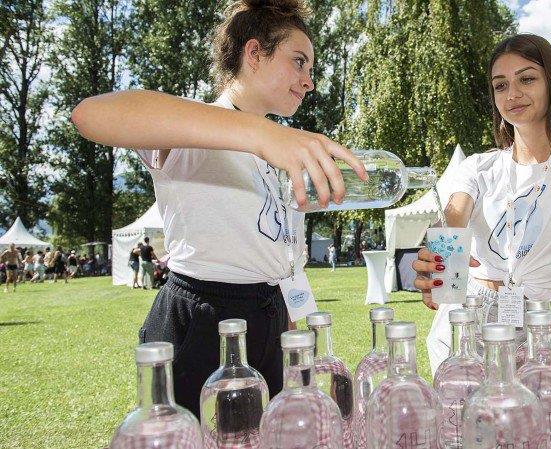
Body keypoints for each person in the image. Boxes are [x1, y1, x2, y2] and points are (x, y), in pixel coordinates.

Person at [70, 0, 365, 418]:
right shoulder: (197, 127)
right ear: (254, 53)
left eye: (311, 70)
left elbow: (277, 250)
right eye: (299, 62)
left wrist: (291, 320)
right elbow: (90, 114)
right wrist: (260, 135)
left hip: (270, 315)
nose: (309, 81)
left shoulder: (284, 147)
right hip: (202, 319)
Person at [412, 34, 551, 373]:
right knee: (461, 423)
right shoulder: (478, 167)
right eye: (500, 86)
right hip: (464, 325)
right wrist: (435, 265)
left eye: (526, 79)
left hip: (535, 328)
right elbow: (452, 223)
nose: (512, 94)